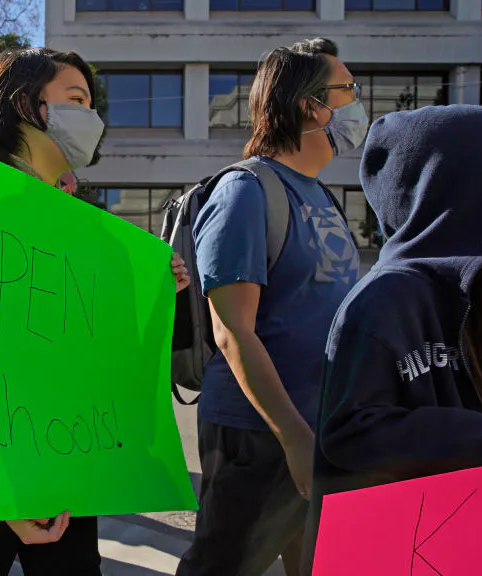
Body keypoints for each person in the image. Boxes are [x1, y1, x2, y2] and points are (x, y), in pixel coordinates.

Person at [0, 47, 190, 576]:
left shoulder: (78, 223)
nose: (91, 118)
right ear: (27, 105)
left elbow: (115, 354)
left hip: (67, 455)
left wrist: (163, 296)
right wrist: (7, 489)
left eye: (92, 104)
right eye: (76, 100)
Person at [301, 105, 482, 572]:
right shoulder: (386, 299)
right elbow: (354, 432)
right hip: (388, 551)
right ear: (466, 193)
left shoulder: (471, 289)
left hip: (459, 541)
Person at [175, 38, 362, 576]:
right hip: (261, 436)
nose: (359, 104)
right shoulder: (246, 191)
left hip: (317, 431)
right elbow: (233, 332)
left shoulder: (320, 194)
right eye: (348, 89)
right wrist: (294, 437)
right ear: (311, 105)